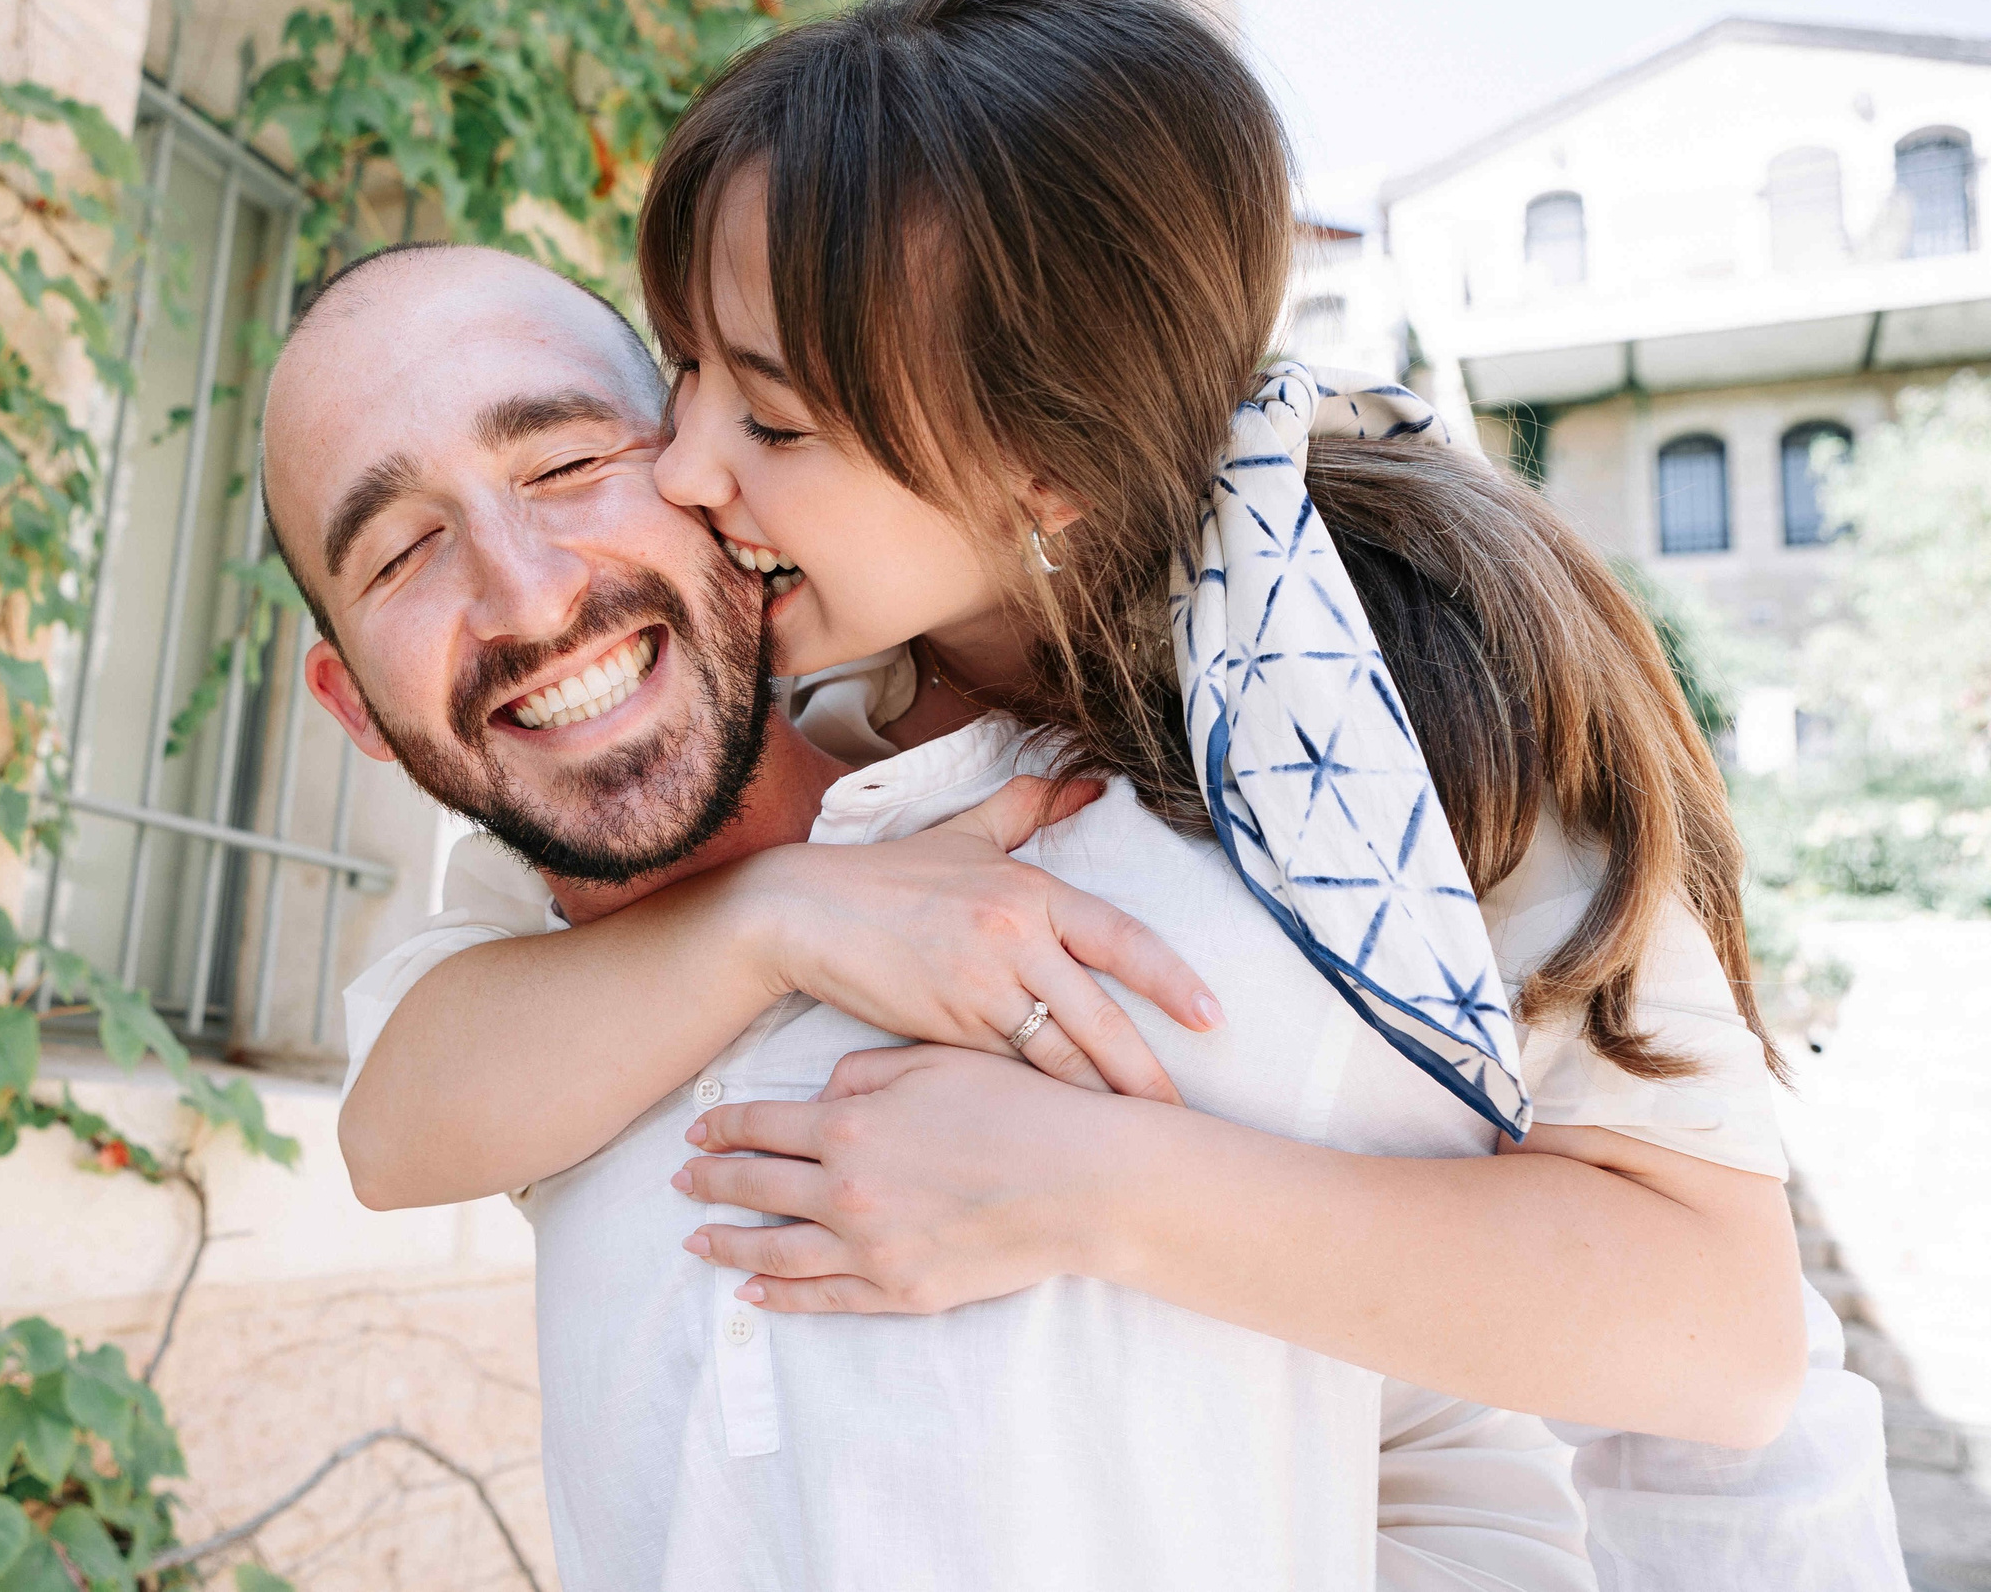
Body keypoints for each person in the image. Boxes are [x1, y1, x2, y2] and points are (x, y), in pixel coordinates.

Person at [329, 0, 1905, 1592]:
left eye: (777, 422)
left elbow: (1718, 1339)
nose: (683, 460)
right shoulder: (763, 673)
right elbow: (412, 1105)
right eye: (684, 367)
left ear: (1046, 466)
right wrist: (778, 916)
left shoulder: (1409, 687)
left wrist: (1090, 1186)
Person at [263, 244, 1599, 1590]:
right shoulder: (520, 992)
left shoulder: (1125, 839)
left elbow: (1485, 1441)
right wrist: (777, 921)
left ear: (706, 482)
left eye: (566, 467)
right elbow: (388, 1129)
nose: (528, 590)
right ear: (348, 704)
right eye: (405, 550)